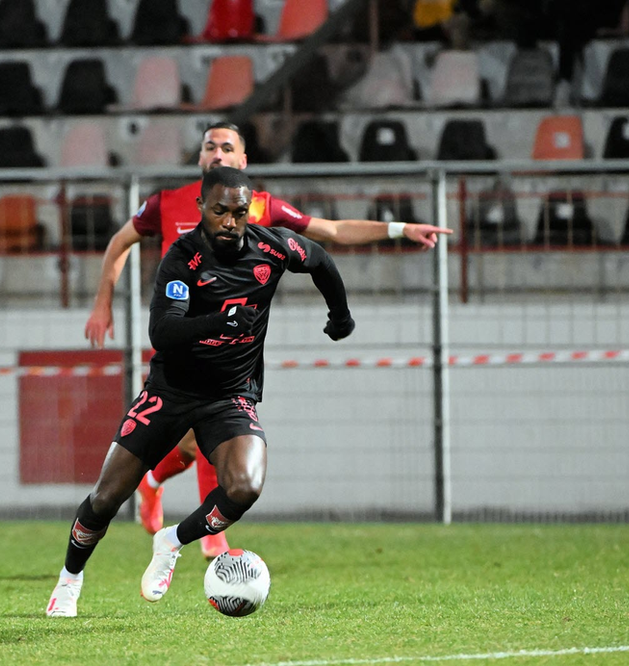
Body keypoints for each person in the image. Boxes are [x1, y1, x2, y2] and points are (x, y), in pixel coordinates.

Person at [84, 122, 451, 559]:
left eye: (227, 147)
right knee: (194, 435)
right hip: (179, 338)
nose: (217, 153)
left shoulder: (259, 208)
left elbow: (329, 233)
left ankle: (155, 483)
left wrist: (400, 230)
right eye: (209, 147)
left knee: (198, 441)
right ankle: (209, 537)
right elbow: (120, 241)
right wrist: (102, 301)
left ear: (243, 161)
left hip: (235, 346)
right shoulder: (166, 203)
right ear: (200, 160)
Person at [48, 167, 354, 617]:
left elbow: (320, 260)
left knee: (245, 487)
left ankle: (171, 541)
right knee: (106, 498)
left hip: (230, 395)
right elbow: (163, 331)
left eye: (238, 211)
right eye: (219, 211)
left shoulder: (273, 246)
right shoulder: (183, 258)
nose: (230, 221)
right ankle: (69, 580)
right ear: (201, 209)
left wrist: (340, 315)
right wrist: (221, 320)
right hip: (170, 391)